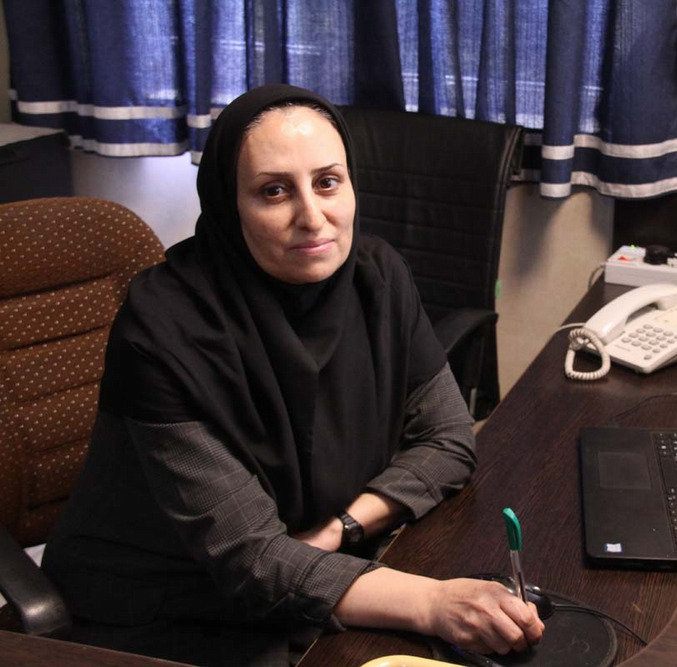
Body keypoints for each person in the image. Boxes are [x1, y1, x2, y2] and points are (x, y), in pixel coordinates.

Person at [41, 84, 544, 666]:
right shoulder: (162, 328)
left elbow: (449, 439)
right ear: (229, 204)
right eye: (274, 191)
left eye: (328, 182)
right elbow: (250, 558)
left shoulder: (377, 277)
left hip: (319, 564)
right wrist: (431, 602)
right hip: (173, 604)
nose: (312, 217)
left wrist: (339, 530)